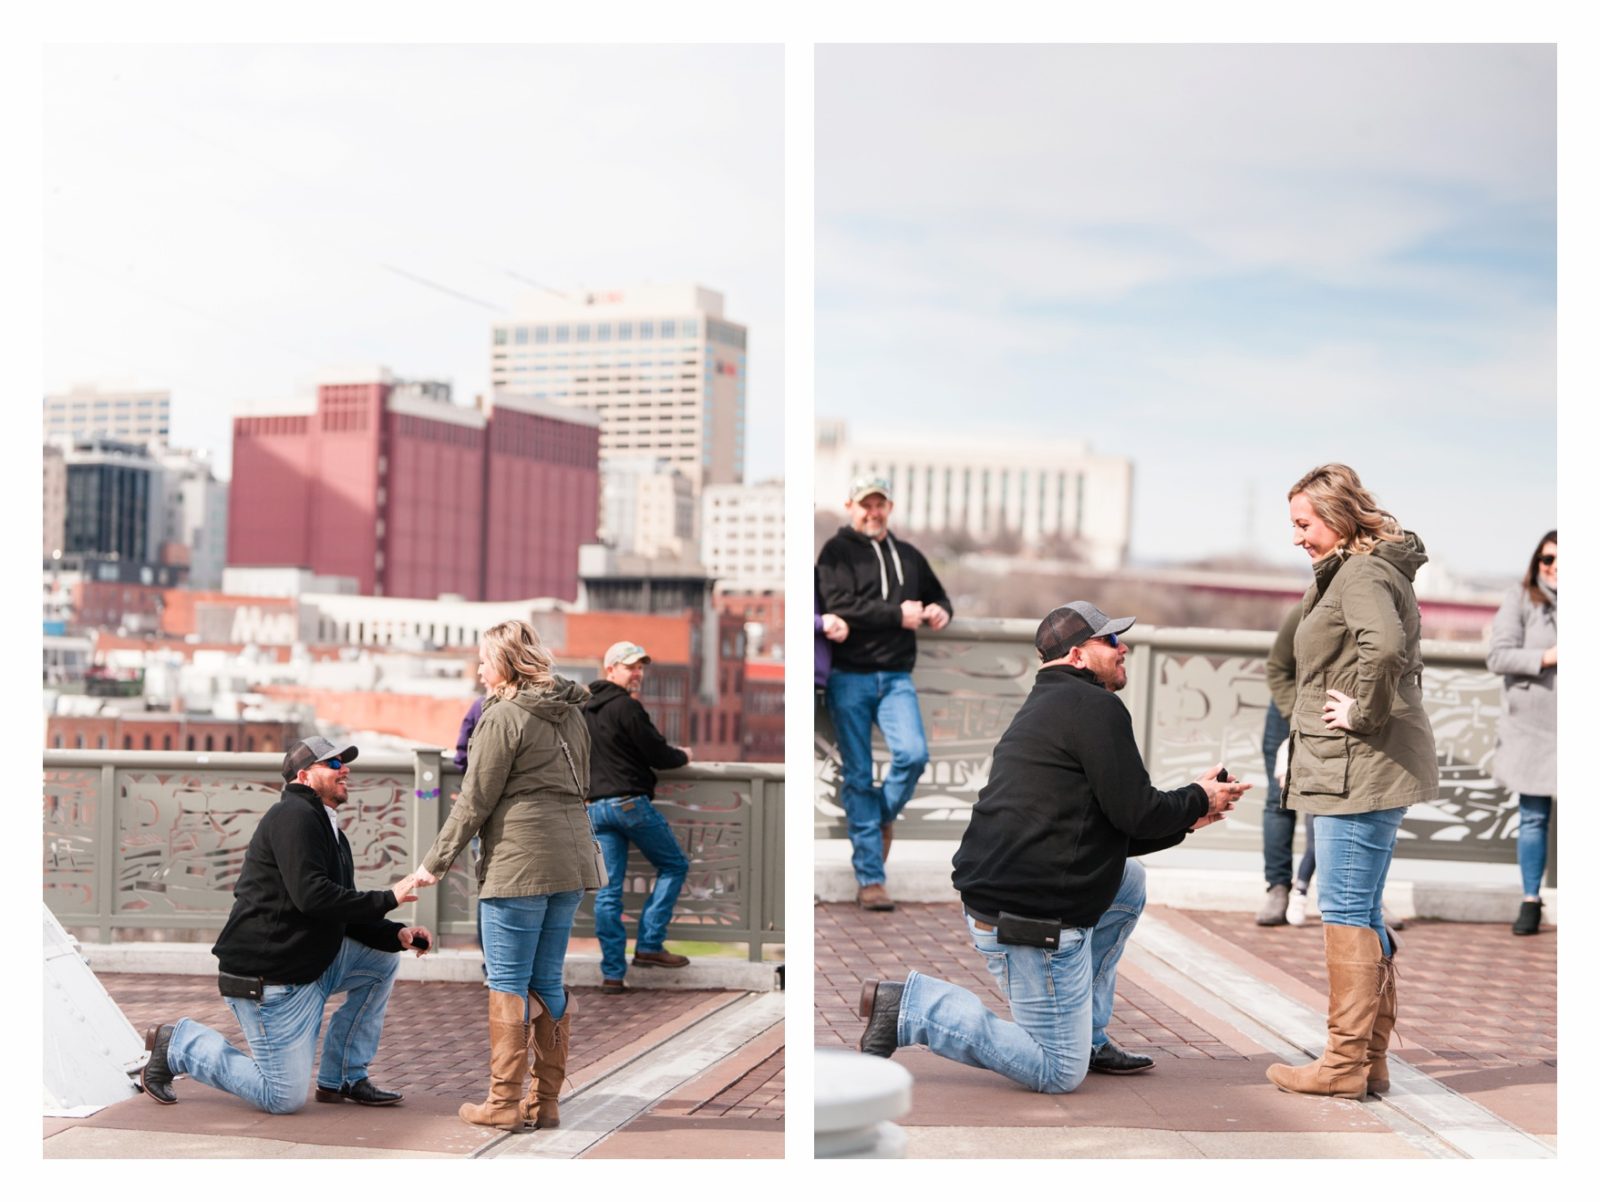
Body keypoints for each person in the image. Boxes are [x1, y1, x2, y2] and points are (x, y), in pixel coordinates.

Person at [856, 602, 1248, 1091]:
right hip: (1029, 918)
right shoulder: (1094, 708)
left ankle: (1088, 1034)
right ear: (1078, 657)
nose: (1122, 648)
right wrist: (1195, 797)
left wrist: (1191, 815)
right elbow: (1136, 812)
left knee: (1127, 884)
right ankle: (911, 1007)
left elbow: (1099, 828)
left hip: (1014, 895)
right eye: (1110, 641)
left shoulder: (1050, 705)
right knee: (1057, 1071)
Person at [139, 737, 432, 1113]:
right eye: (334, 763)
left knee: (382, 960)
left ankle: (342, 1076)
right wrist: (389, 896)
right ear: (305, 776)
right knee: (282, 1097)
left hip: (310, 964)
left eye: (344, 762)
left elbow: (337, 906)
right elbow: (313, 897)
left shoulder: (327, 827)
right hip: (270, 979)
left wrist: (394, 933)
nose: (345, 769)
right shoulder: (293, 816)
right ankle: (179, 1043)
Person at [1267, 464, 1438, 1100]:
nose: (1297, 537)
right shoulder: (1359, 570)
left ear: (1338, 519)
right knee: (1360, 908)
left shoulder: (1362, 572)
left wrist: (1360, 711)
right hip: (1359, 764)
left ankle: (1341, 1066)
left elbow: (1386, 647)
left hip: (1356, 766)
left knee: (1342, 907)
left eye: (1303, 524)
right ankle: (1368, 1060)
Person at [414, 620, 603, 1131]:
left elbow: (475, 800)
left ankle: (501, 1103)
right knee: (548, 979)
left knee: (507, 982)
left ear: (504, 663)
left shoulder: (502, 717)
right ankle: (545, 1103)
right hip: (571, 859)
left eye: (482, 660)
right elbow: (582, 783)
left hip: (519, 862)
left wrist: (433, 864)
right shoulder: (570, 713)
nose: (478, 670)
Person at [816, 473, 953, 911]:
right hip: (849, 677)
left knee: (913, 755)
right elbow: (838, 606)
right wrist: (897, 615)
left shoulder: (909, 555)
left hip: (896, 677)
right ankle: (871, 880)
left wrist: (937, 610)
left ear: (889, 507)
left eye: (880, 504)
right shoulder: (835, 552)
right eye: (865, 504)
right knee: (858, 776)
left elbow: (941, 597)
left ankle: (878, 819)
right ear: (850, 506)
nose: (873, 512)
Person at [584, 640, 695, 993]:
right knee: (675, 865)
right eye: (631, 667)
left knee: (608, 891)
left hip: (594, 808)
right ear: (611, 669)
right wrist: (684, 756)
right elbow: (658, 753)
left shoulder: (584, 709)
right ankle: (648, 945)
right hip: (629, 804)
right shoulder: (626, 708)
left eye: (640, 667)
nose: (638, 673)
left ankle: (613, 974)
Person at [1487, 530, 1557, 936]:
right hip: (1532, 727)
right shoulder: (1521, 598)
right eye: (1547, 560)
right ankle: (1531, 899)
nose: (1554, 569)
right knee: (1533, 817)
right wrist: (1548, 656)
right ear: (1537, 563)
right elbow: (1498, 655)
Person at [1258, 605, 1318, 925]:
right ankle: (1278, 889)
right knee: (1279, 801)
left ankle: (1365, 896)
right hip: (1289, 713)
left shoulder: (1373, 605)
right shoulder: (1304, 610)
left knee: (1342, 806)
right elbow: (1277, 668)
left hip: (1335, 717)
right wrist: (1297, 718)